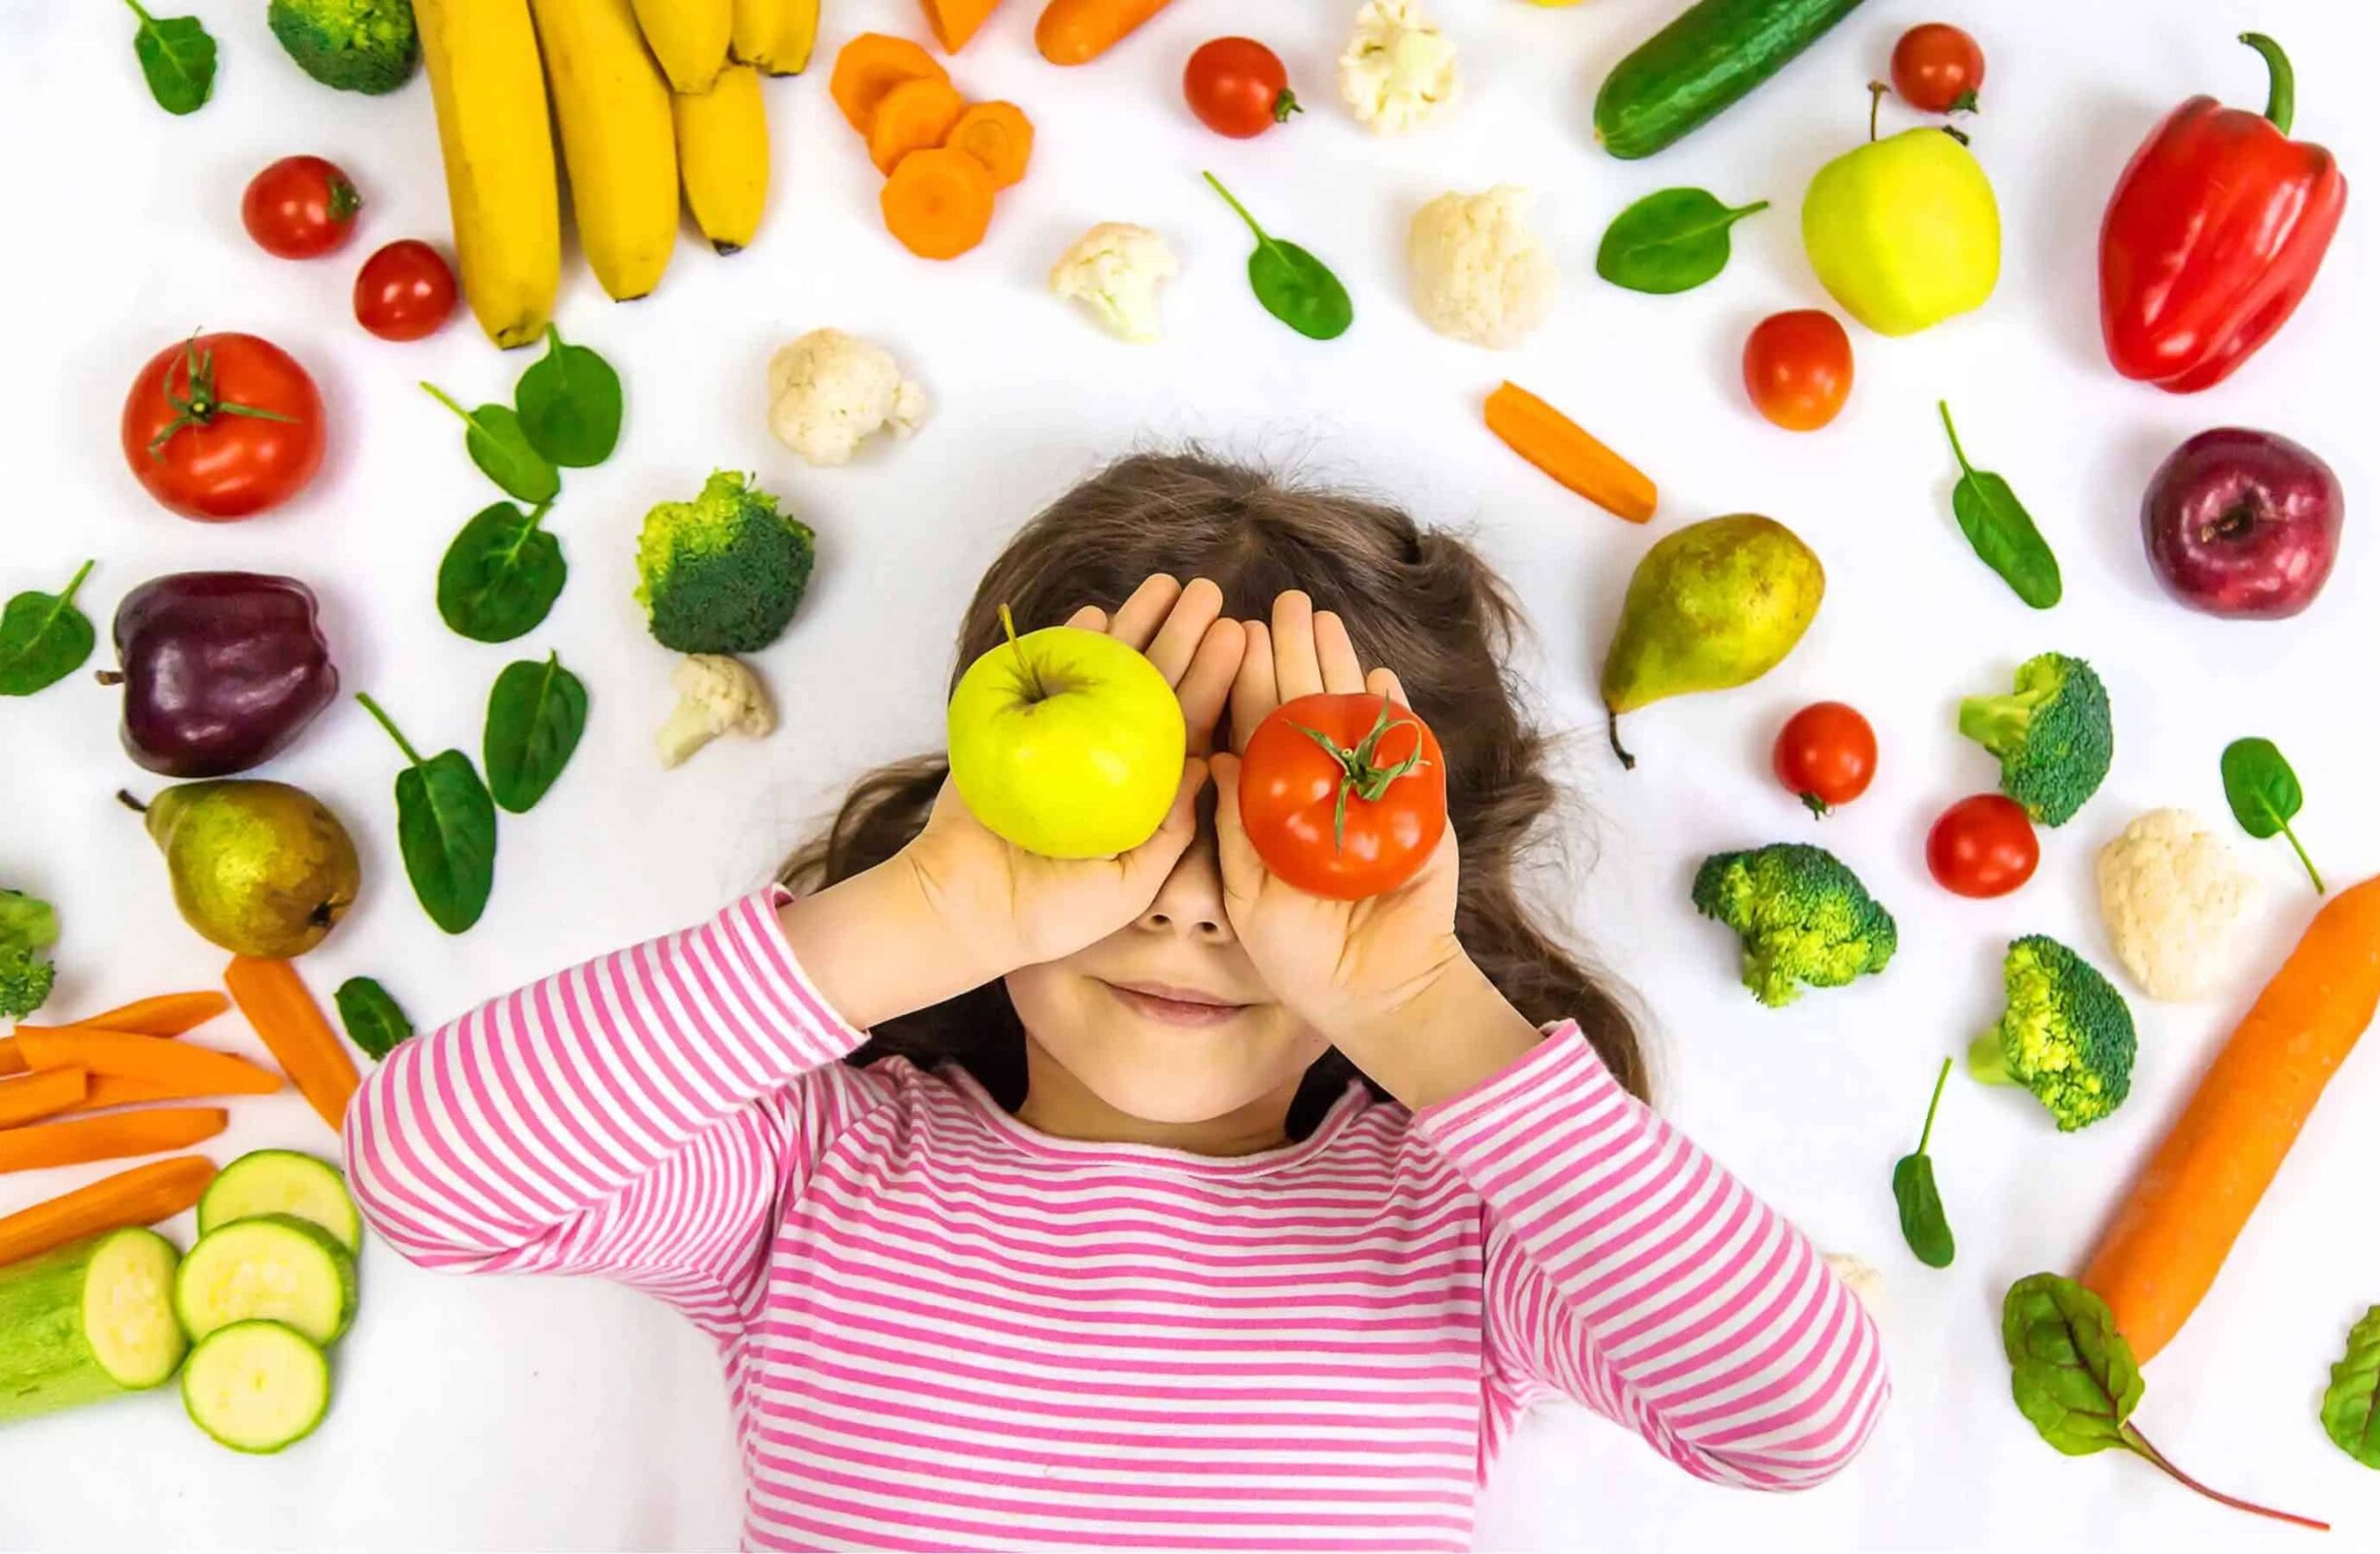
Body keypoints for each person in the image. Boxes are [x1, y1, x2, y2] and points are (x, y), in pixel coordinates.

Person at [343, 453, 1888, 1551]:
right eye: (1122, 815)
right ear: (982, 795)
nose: (1194, 898)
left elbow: (1798, 1413)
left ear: (1426, 877)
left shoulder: (1466, 1231)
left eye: (1281, 836)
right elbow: (426, 1172)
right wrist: (932, 914)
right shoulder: (811, 1177)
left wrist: (1417, 1002)